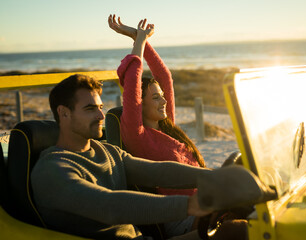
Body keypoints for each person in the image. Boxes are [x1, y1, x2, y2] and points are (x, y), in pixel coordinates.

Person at [30, 72, 212, 240]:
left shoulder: (108, 152)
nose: (101, 115)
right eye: (90, 109)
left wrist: (214, 178)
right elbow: (109, 205)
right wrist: (191, 205)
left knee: (232, 228)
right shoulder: (52, 169)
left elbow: (158, 171)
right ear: (64, 113)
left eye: (100, 107)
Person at [108, 15, 205, 197]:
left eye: (161, 96)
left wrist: (138, 38)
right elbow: (132, 80)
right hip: (184, 215)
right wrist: (140, 42)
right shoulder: (138, 136)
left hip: (208, 200)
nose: (164, 101)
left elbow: (164, 76)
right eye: (155, 98)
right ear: (139, 104)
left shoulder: (167, 126)